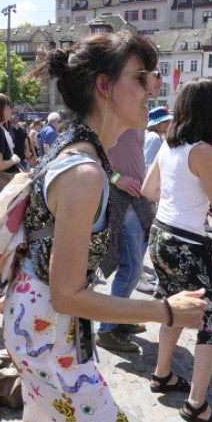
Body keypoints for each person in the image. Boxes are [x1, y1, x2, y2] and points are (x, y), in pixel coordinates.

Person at [0, 30, 208, 422]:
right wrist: (164, 311)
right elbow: (68, 292)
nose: (154, 88)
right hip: (51, 333)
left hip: (43, 328)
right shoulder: (86, 170)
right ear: (106, 87)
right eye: (143, 77)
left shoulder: (82, 152)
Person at [143, 78, 212, 422]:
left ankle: (162, 374)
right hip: (186, 244)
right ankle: (196, 404)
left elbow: (149, 189)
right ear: (209, 108)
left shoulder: (168, 142)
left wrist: (186, 198)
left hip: (161, 235)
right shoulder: (203, 150)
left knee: (172, 307)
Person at [95, 127, 154, 354]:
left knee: (131, 266)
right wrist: (117, 178)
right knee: (132, 267)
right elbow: (93, 151)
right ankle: (107, 328)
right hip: (122, 199)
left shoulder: (135, 118)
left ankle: (118, 317)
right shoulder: (113, 117)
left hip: (136, 198)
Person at [143, 105, 172, 170]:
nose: (169, 123)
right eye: (165, 121)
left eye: (169, 120)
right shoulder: (154, 138)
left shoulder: (157, 136)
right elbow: (148, 165)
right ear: (156, 124)